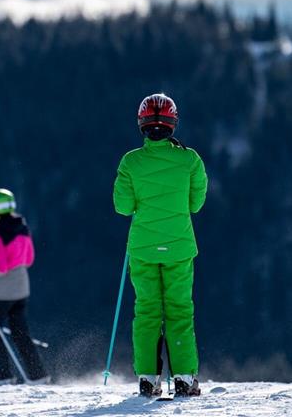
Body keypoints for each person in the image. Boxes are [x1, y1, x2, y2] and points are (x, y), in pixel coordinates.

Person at [113, 93, 208, 397]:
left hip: (142, 249)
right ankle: (183, 376)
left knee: (147, 311)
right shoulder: (190, 159)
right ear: (173, 123)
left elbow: (122, 207)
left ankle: (148, 378)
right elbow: (196, 204)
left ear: (141, 124)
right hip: (179, 248)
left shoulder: (131, 162)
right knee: (180, 310)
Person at [0, 188, 49, 384]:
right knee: (21, 334)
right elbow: (29, 259)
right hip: (22, 288)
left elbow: (0, 266)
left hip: (1, 292)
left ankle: (3, 377)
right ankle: (38, 375)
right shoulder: (22, 227)